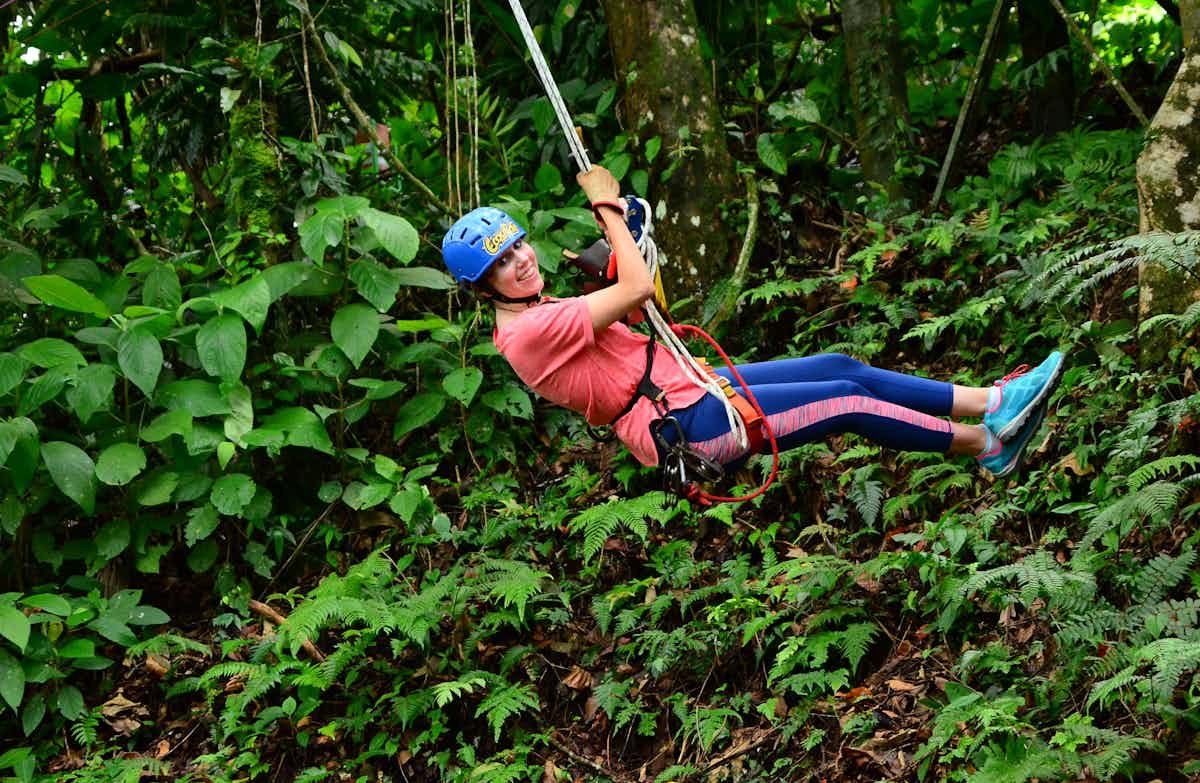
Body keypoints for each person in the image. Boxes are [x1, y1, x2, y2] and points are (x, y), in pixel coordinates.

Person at [441, 166, 1064, 481]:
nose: (521, 262)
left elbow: (640, 303)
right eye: (502, 263)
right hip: (689, 423)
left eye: (518, 247)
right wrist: (605, 205)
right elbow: (633, 288)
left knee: (837, 369)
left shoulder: (540, 309)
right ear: (482, 286)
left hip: (692, 387)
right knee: (844, 402)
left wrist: (627, 236)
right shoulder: (525, 332)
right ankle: (989, 444)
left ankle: (994, 400)